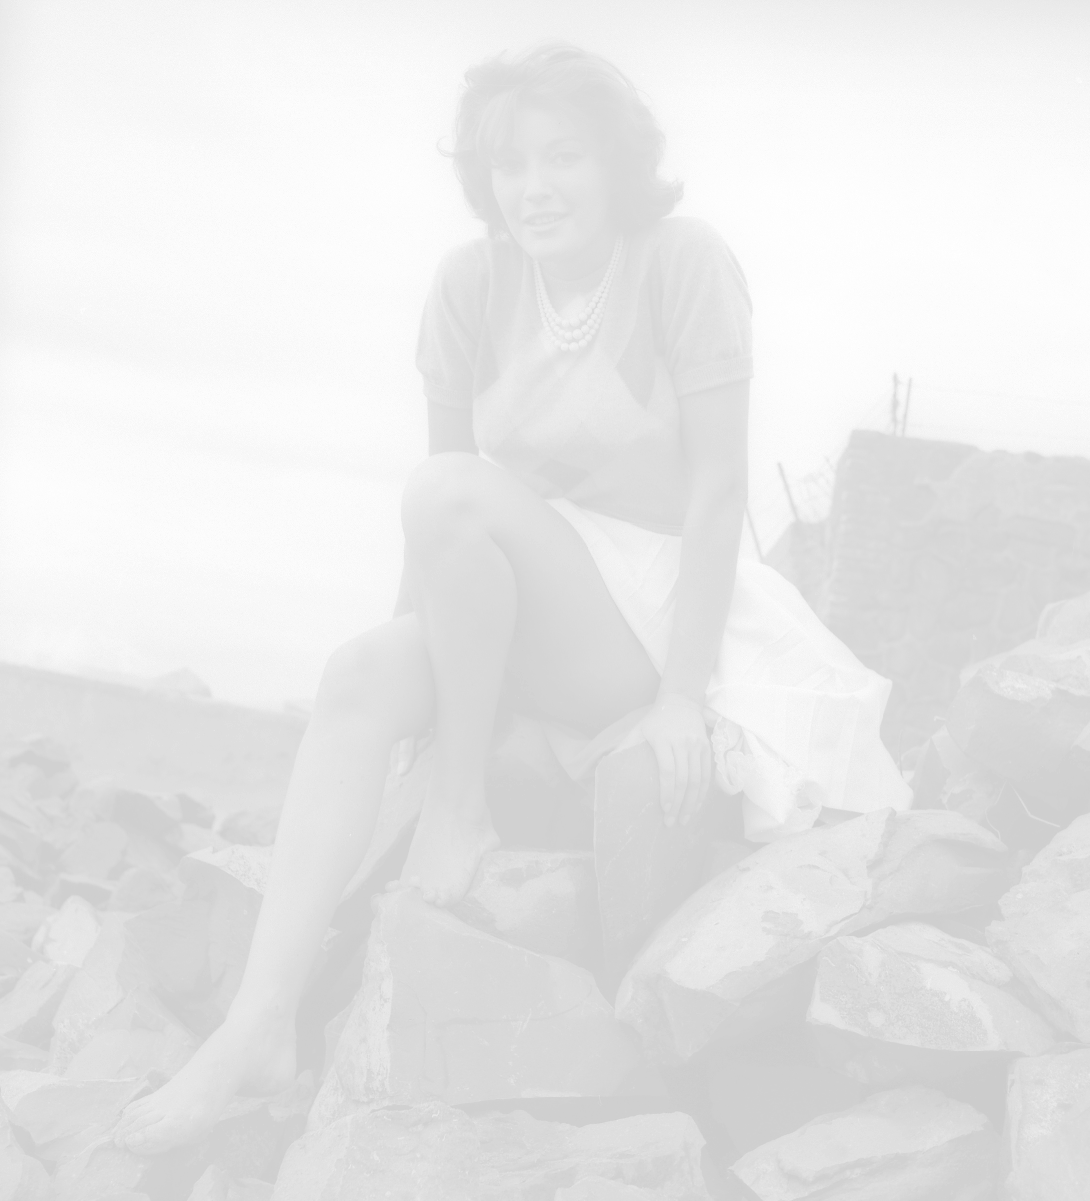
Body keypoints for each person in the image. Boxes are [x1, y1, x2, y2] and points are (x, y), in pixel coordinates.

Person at [113, 41, 911, 1155]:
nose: (532, 186)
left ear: (616, 162)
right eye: (508, 164)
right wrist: (404, 689)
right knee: (359, 671)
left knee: (451, 493)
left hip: (651, 610)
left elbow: (717, 489)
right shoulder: (468, 286)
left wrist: (681, 700)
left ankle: (459, 806)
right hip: (526, 589)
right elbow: (438, 528)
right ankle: (257, 1026)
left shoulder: (681, 262)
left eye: (561, 156)